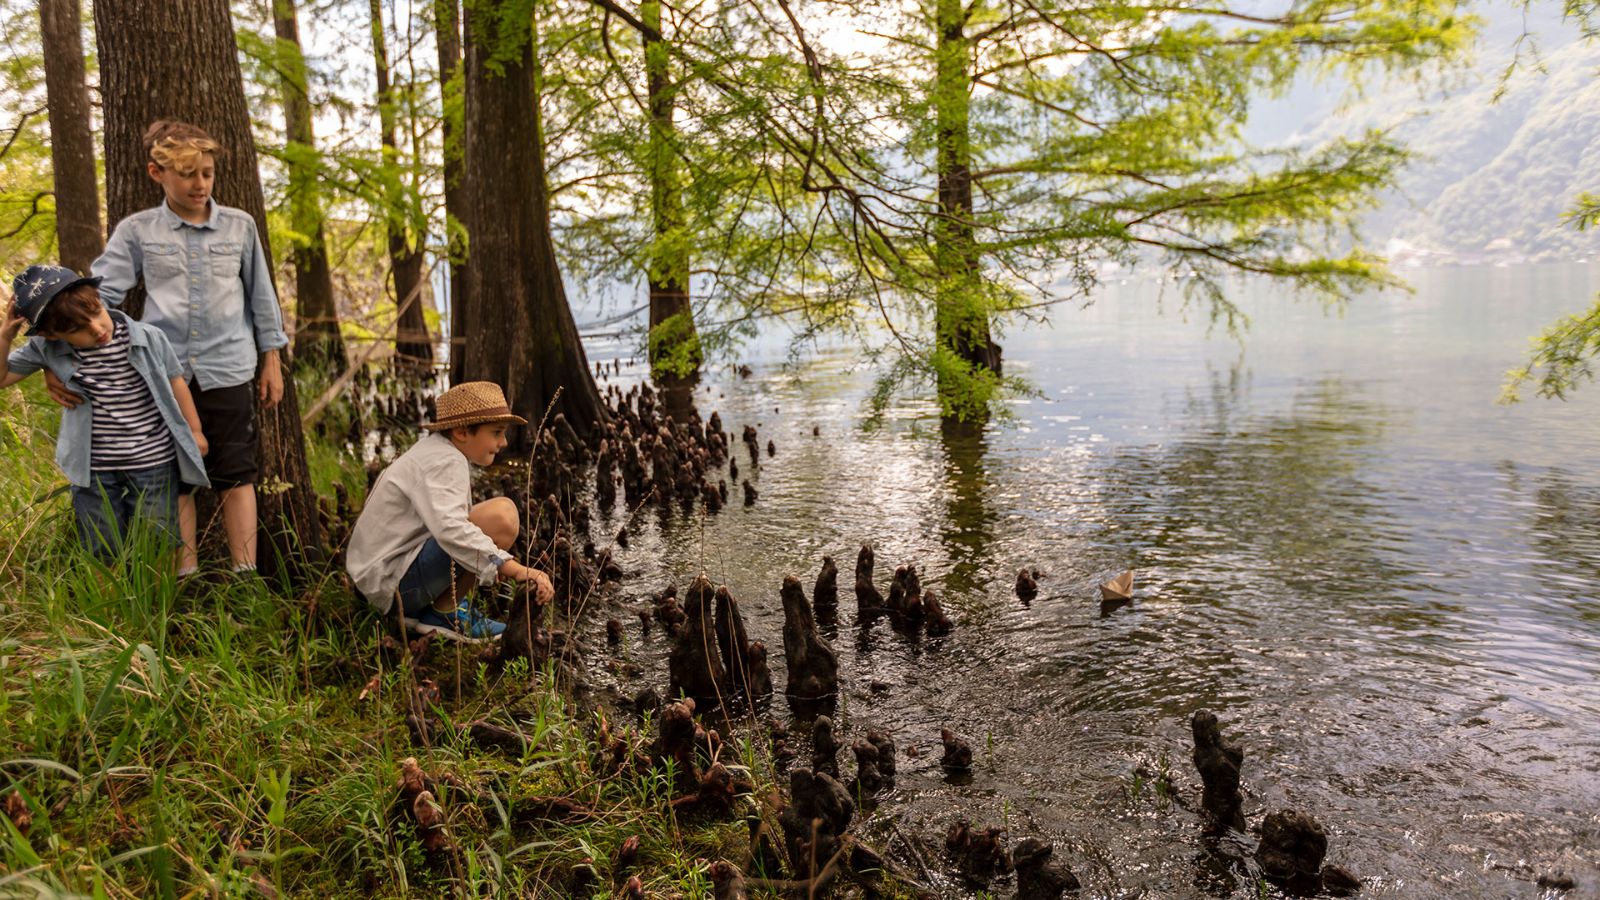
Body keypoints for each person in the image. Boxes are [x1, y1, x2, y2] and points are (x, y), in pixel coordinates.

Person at [44, 120, 288, 575]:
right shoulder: (138, 231)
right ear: (157, 173)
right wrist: (54, 361)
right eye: (188, 174)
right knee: (174, 478)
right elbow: (95, 301)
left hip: (229, 367)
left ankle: (245, 577)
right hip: (159, 374)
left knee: (237, 473)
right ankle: (184, 577)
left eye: (207, 173)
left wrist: (271, 358)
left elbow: (261, 294)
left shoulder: (240, 226)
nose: (200, 184)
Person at [3, 265, 209, 563]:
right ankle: (107, 594)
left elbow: (176, 382)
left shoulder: (148, 337)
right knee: (100, 545)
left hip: (152, 459)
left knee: (160, 538)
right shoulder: (46, 349)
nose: (97, 329)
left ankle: (159, 593)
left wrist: (195, 429)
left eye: (97, 313)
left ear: (99, 299)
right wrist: (5, 337)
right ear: (51, 334)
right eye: (78, 330)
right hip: (93, 468)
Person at [346, 381, 554, 641]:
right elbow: (451, 530)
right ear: (462, 432)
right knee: (503, 517)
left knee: (491, 517)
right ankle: (445, 613)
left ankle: (436, 608)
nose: (503, 442)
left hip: (377, 583)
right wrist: (513, 568)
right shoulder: (447, 461)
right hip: (392, 590)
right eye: (496, 432)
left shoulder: (434, 450)